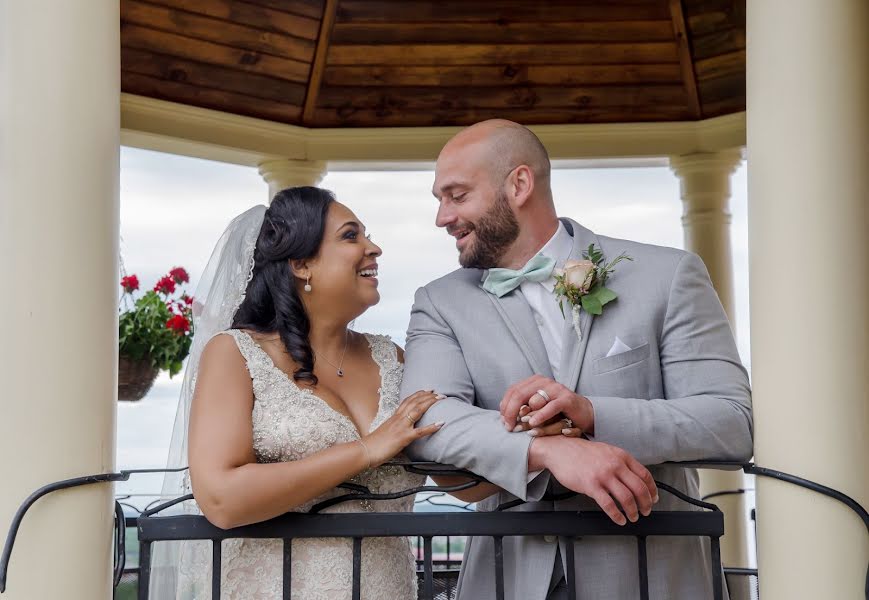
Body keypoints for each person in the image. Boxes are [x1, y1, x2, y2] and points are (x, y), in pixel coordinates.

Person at [401, 120, 753, 599]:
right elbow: (428, 421)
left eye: (457, 196)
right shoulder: (439, 302)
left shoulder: (666, 276)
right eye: (439, 200)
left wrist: (591, 414)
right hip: (509, 578)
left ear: (519, 184)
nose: (443, 217)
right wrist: (547, 450)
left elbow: (731, 422)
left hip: (652, 576)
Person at [154, 187, 444, 599]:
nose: (373, 248)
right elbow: (221, 498)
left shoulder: (393, 358)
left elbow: (453, 456)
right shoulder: (235, 354)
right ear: (301, 264)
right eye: (351, 236)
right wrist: (365, 451)